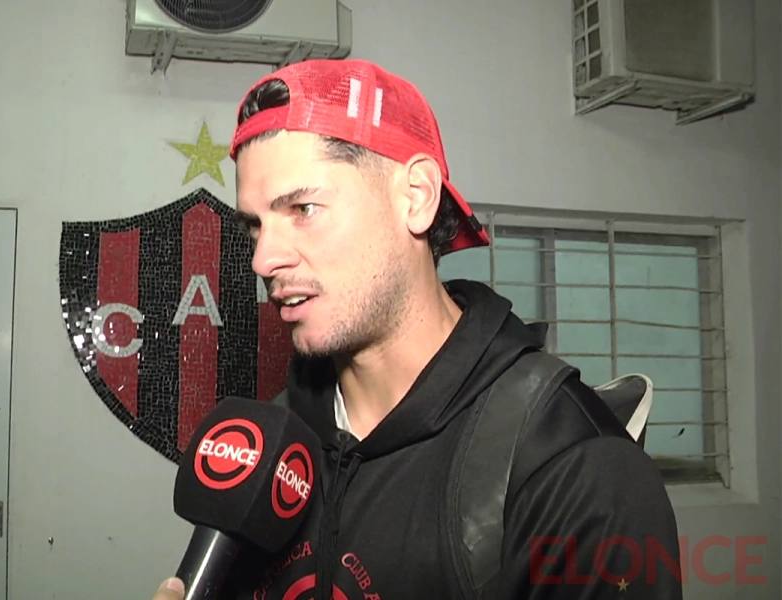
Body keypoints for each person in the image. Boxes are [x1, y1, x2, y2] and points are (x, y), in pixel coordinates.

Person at [151, 58, 683, 600]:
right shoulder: (276, 446)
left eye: (304, 208)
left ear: (417, 196)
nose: (263, 259)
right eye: (256, 226)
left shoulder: (573, 466)